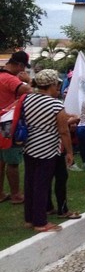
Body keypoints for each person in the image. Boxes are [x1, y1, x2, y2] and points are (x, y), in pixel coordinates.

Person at [22, 69, 74, 232]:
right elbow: (64, 131)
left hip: (29, 145)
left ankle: (29, 219)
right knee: (42, 185)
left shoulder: (27, 99)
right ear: (52, 84)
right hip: (47, 148)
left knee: (30, 183)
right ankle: (40, 222)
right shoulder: (55, 104)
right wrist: (70, 152)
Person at [0, 50, 32, 204]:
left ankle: (0, 193)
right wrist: (28, 80)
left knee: (1, 160)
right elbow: (31, 92)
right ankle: (16, 195)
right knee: (12, 161)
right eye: (23, 67)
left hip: (1, 121)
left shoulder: (1, 75)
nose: (23, 71)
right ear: (19, 65)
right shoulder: (11, 79)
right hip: (7, 124)